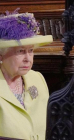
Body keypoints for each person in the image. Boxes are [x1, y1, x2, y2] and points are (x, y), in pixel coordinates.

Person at [0, 9, 53, 140]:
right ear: (1, 54)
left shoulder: (37, 78)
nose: (28, 58)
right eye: (20, 51)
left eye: (30, 51)